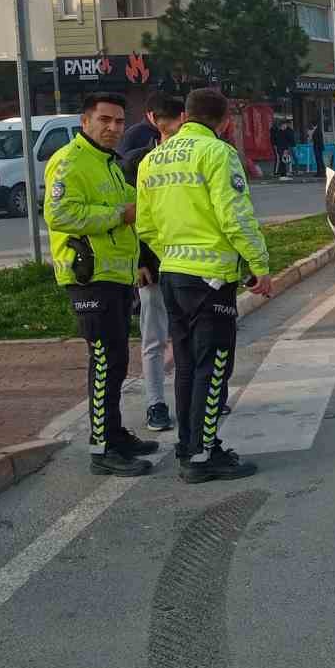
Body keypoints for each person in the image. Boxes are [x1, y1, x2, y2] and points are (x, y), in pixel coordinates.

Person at [137, 88, 273, 483]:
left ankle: (188, 444)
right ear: (225, 121)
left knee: (185, 366)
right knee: (212, 367)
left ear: (184, 115)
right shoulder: (218, 153)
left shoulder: (152, 160)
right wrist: (259, 265)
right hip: (210, 279)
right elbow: (235, 217)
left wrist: (173, 255)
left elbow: (145, 226)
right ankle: (204, 455)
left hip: (173, 275)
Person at [44, 93, 161, 476]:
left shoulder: (109, 164)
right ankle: (102, 448)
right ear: (85, 122)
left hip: (114, 277)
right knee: (104, 362)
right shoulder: (70, 161)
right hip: (88, 278)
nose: (113, 128)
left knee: (116, 361)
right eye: (104, 120)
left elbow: (135, 206)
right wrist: (118, 215)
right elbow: (60, 213)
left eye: (118, 122)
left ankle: (113, 433)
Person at [119, 96, 187, 433]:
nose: (169, 124)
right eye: (163, 118)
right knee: (154, 339)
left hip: (191, 264)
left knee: (191, 338)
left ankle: (199, 399)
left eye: (173, 118)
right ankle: (156, 404)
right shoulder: (136, 162)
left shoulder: (196, 157)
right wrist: (140, 262)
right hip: (154, 268)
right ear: (150, 118)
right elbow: (134, 218)